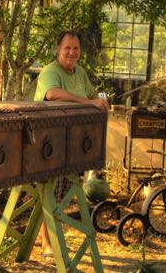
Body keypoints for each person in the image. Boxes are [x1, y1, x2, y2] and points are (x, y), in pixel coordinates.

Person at [34, 30, 109, 257]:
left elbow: (95, 95)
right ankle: (48, 243)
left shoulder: (80, 73)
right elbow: (52, 94)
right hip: (48, 144)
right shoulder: (50, 71)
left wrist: (101, 101)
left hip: (72, 144)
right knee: (52, 192)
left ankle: (42, 235)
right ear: (59, 49)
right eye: (67, 48)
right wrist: (86, 102)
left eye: (75, 48)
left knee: (64, 191)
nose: (71, 52)